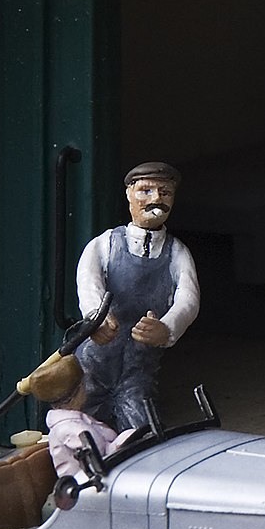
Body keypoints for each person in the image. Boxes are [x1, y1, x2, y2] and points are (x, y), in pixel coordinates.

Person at [71, 161, 200, 436]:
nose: (156, 199)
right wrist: (96, 319)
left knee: (142, 430)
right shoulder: (104, 244)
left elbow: (188, 299)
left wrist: (166, 328)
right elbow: (88, 282)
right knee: (79, 427)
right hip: (94, 364)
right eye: (146, 191)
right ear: (129, 194)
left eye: (164, 192)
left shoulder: (177, 253)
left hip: (138, 367)